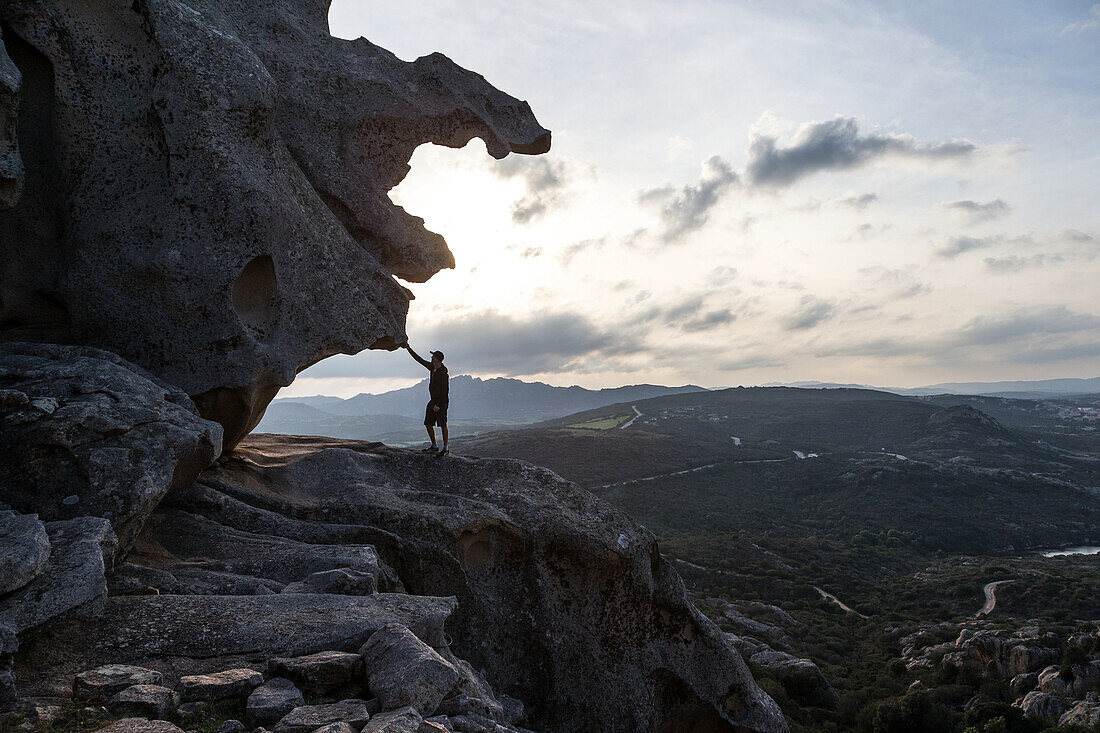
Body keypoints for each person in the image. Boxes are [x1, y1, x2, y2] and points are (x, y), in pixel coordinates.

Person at [403, 344, 449, 455]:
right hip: (433, 401)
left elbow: (445, 391)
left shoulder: (443, 373)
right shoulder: (433, 368)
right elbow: (419, 360)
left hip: (441, 402)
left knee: (443, 425)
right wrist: (409, 349)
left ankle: (446, 448)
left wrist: (438, 404)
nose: (431, 358)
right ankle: (434, 446)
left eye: (433, 357)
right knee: (428, 423)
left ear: (437, 359)